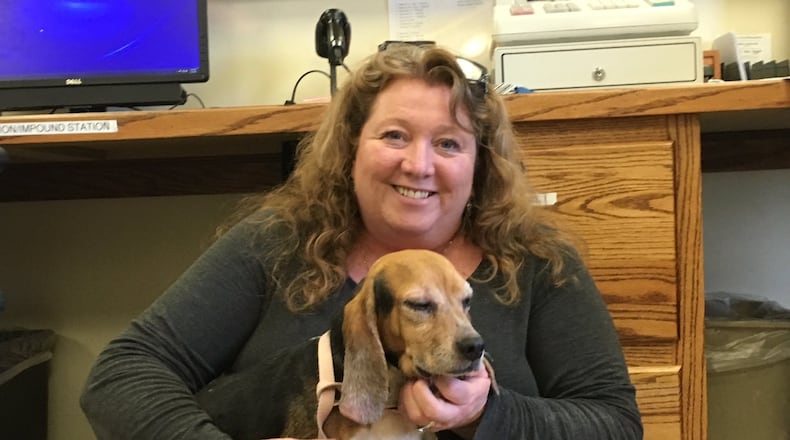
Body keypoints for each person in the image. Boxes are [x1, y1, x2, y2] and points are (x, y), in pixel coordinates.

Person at [80, 43, 643, 440]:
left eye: (448, 144)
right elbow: (123, 376)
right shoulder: (278, 244)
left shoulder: (538, 263)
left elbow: (615, 426)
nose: (418, 164)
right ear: (352, 148)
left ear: (481, 164)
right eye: (394, 135)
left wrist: (484, 417)